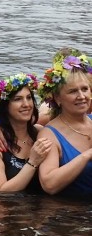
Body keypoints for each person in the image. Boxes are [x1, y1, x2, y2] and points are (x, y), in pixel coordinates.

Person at [0, 73, 51, 193]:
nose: (26, 104)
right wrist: (32, 162)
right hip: (11, 208)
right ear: (5, 106)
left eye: (29, 98)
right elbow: (0, 190)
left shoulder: (40, 132)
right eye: (18, 99)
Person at [36, 54, 92, 197]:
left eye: (84, 89)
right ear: (58, 98)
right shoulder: (49, 134)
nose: (81, 96)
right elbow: (49, 185)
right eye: (73, 91)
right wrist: (86, 156)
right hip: (73, 214)